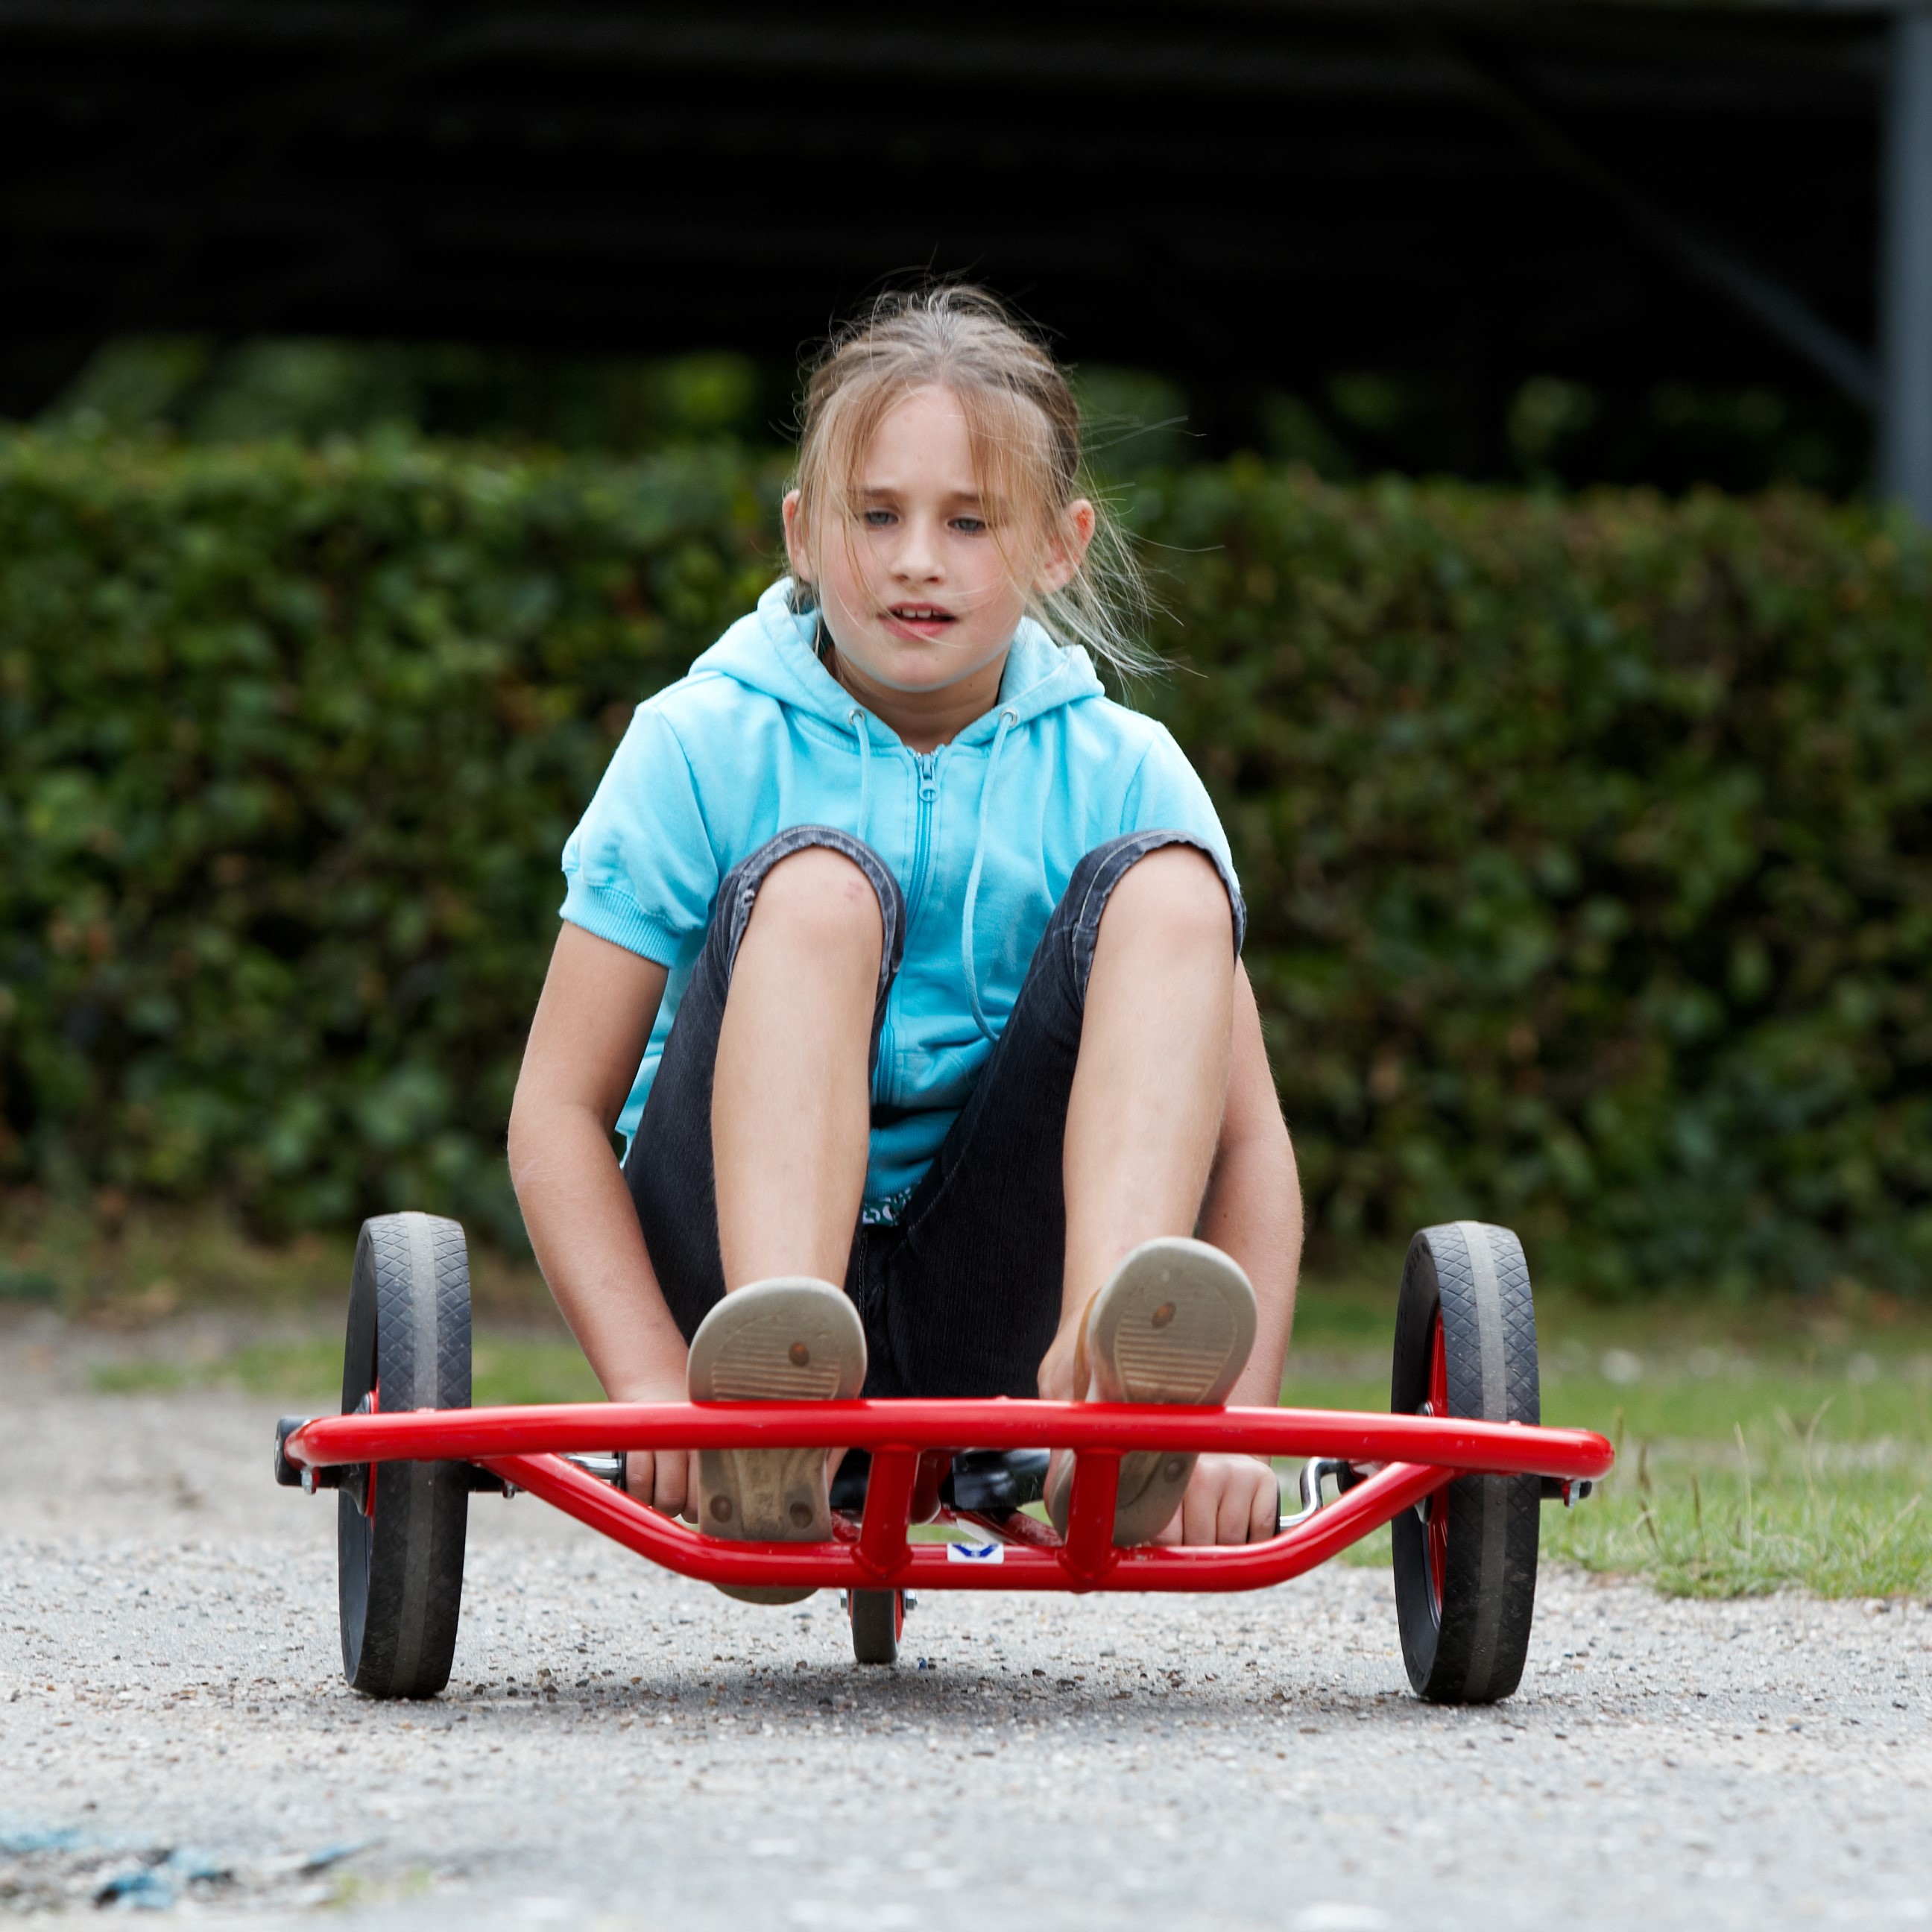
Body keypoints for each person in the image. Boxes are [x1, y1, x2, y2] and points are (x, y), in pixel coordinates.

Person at [506, 285, 1301, 1584]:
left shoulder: (1123, 770)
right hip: (727, 1274)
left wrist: (1239, 1431)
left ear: (1059, 545)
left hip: (1002, 1305)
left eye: (969, 522)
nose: (915, 558)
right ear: (806, 533)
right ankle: (778, 1396)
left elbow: (1249, 1136)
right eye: (876, 516)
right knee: (817, 889)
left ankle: (1108, 1393)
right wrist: (652, 1383)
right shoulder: (700, 745)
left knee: (1174, 889)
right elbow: (553, 1112)